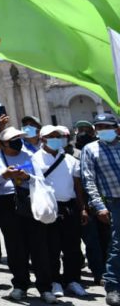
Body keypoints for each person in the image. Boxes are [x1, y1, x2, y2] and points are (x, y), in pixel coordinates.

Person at [0, 127, 53, 302]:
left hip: (29, 201)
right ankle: (20, 285)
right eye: (13, 139)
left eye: (19, 138)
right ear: (3, 142)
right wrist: (5, 175)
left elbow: (41, 179)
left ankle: (45, 287)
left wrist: (27, 177)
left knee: (38, 245)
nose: (18, 141)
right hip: (6, 203)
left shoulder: (29, 155)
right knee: (15, 247)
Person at [32, 125, 88, 298]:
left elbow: (77, 185)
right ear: (43, 139)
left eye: (58, 135)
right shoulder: (34, 159)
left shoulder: (70, 159)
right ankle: (55, 281)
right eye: (52, 136)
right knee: (51, 247)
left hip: (69, 207)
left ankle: (73, 280)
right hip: (49, 209)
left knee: (72, 247)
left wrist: (83, 208)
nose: (57, 139)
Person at [81, 113, 120, 306]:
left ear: (117, 128)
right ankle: (113, 286)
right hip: (114, 201)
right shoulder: (90, 149)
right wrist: (99, 206)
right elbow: (89, 180)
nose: (103, 130)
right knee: (117, 245)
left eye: (107, 126)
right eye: (99, 127)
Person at [75, 119, 111, 285]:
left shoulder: (104, 149)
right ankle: (99, 272)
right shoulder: (70, 153)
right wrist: (82, 207)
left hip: (106, 202)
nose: (83, 133)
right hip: (85, 203)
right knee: (92, 240)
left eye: (87, 130)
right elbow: (80, 184)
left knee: (108, 239)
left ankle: (110, 270)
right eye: (80, 130)